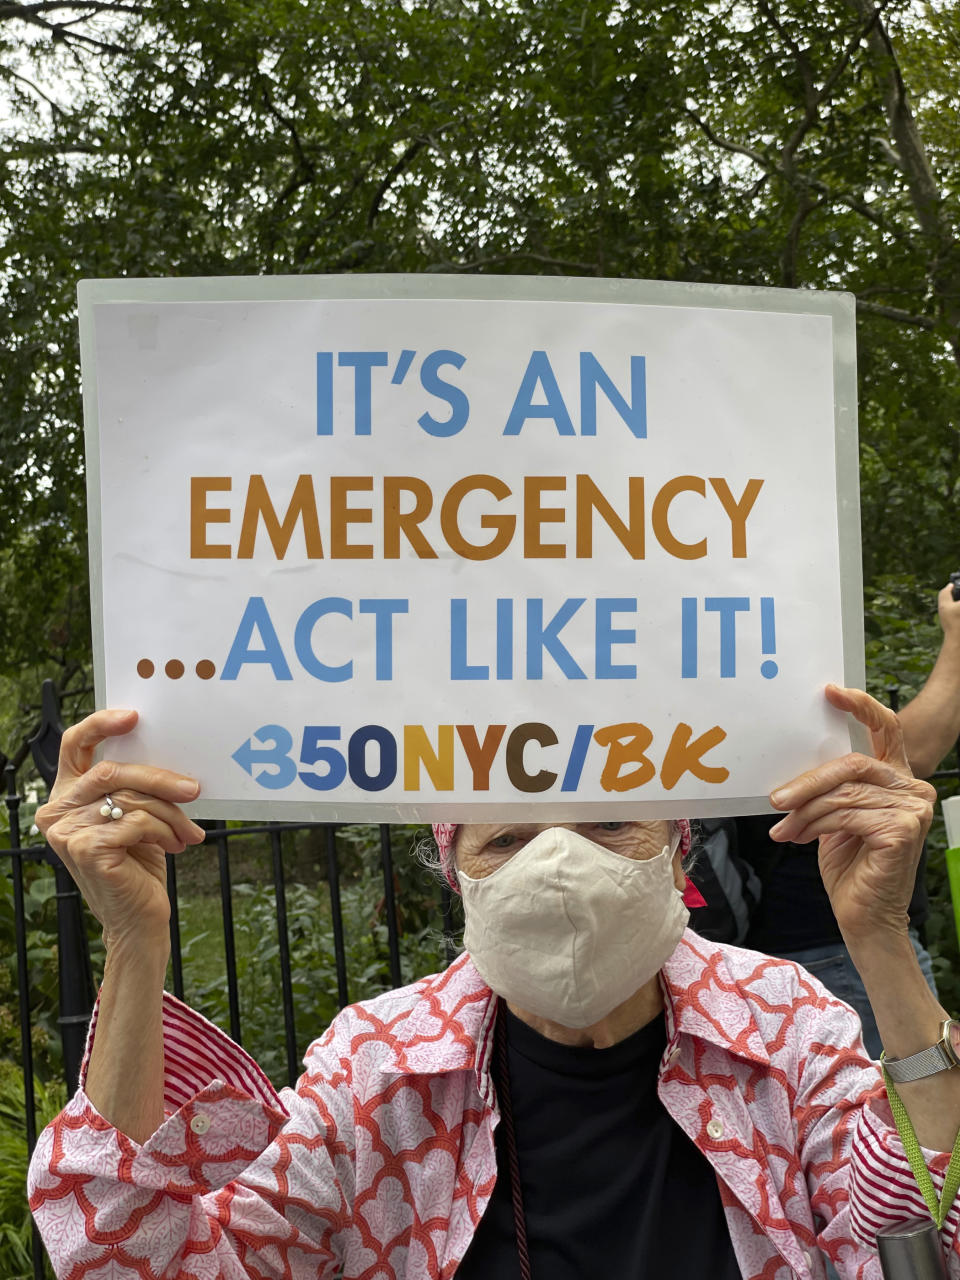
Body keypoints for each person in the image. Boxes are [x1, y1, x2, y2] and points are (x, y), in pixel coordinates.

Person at [27, 685, 960, 1278]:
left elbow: (918, 1244)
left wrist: (878, 936)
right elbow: (135, 1260)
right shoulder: (375, 1070)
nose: (558, 867)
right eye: (507, 839)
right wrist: (134, 944)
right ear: (457, 873)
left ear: (677, 850)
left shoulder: (782, 1022)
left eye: (607, 827)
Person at [693, 582, 960, 1056]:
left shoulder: (722, 686)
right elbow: (909, 757)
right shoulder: (789, 685)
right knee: (899, 1125)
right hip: (836, 951)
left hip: (789, 949)